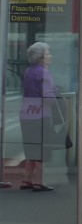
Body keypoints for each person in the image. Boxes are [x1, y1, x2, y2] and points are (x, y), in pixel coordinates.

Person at [16, 42, 60, 191]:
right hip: (40, 114)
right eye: (47, 53)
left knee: (30, 146)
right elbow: (47, 97)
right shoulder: (44, 73)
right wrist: (57, 98)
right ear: (40, 57)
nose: (50, 56)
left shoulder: (28, 71)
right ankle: (38, 182)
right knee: (41, 148)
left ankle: (27, 179)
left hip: (26, 113)